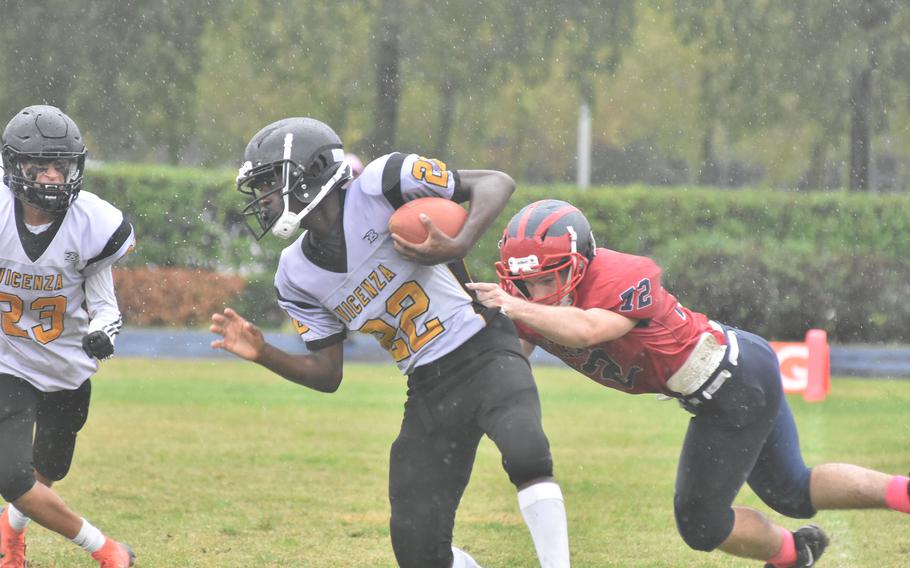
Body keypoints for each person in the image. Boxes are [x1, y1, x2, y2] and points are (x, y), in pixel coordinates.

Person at [468, 199, 910, 568]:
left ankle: (792, 557)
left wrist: (512, 306)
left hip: (732, 384)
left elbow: (586, 330)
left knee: (700, 523)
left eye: (550, 276)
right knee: (791, 490)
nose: (537, 289)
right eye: (525, 282)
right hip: (731, 378)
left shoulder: (621, 275)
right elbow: (509, 367)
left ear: (582, 262)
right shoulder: (527, 306)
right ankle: (850, 523)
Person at [209, 117, 571, 568]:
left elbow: (495, 183)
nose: (263, 201)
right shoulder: (294, 274)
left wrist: (456, 244)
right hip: (427, 386)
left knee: (527, 453)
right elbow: (327, 375)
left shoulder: (382, 182)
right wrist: (265, 353)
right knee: (418, 551)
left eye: (269, 184)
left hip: (483, 348)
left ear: (312, 172)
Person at [0, 105, 136, 567]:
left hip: (66, 367)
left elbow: (105, 307)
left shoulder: (91, 221)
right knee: (13, 477)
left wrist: (102, 334)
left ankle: (10, 530)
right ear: (15, 166)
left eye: (63, 165)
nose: (54, 177)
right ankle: (106, 549)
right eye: (40, 166)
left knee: (47, 473)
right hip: (8, 361)